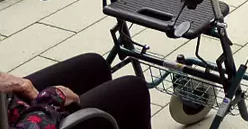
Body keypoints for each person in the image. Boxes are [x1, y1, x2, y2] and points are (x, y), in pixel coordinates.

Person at [2, 53, 151, 129]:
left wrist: (21, 85)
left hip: (9, 107)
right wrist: (52, 97)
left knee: (93, 66)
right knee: (132, 90)